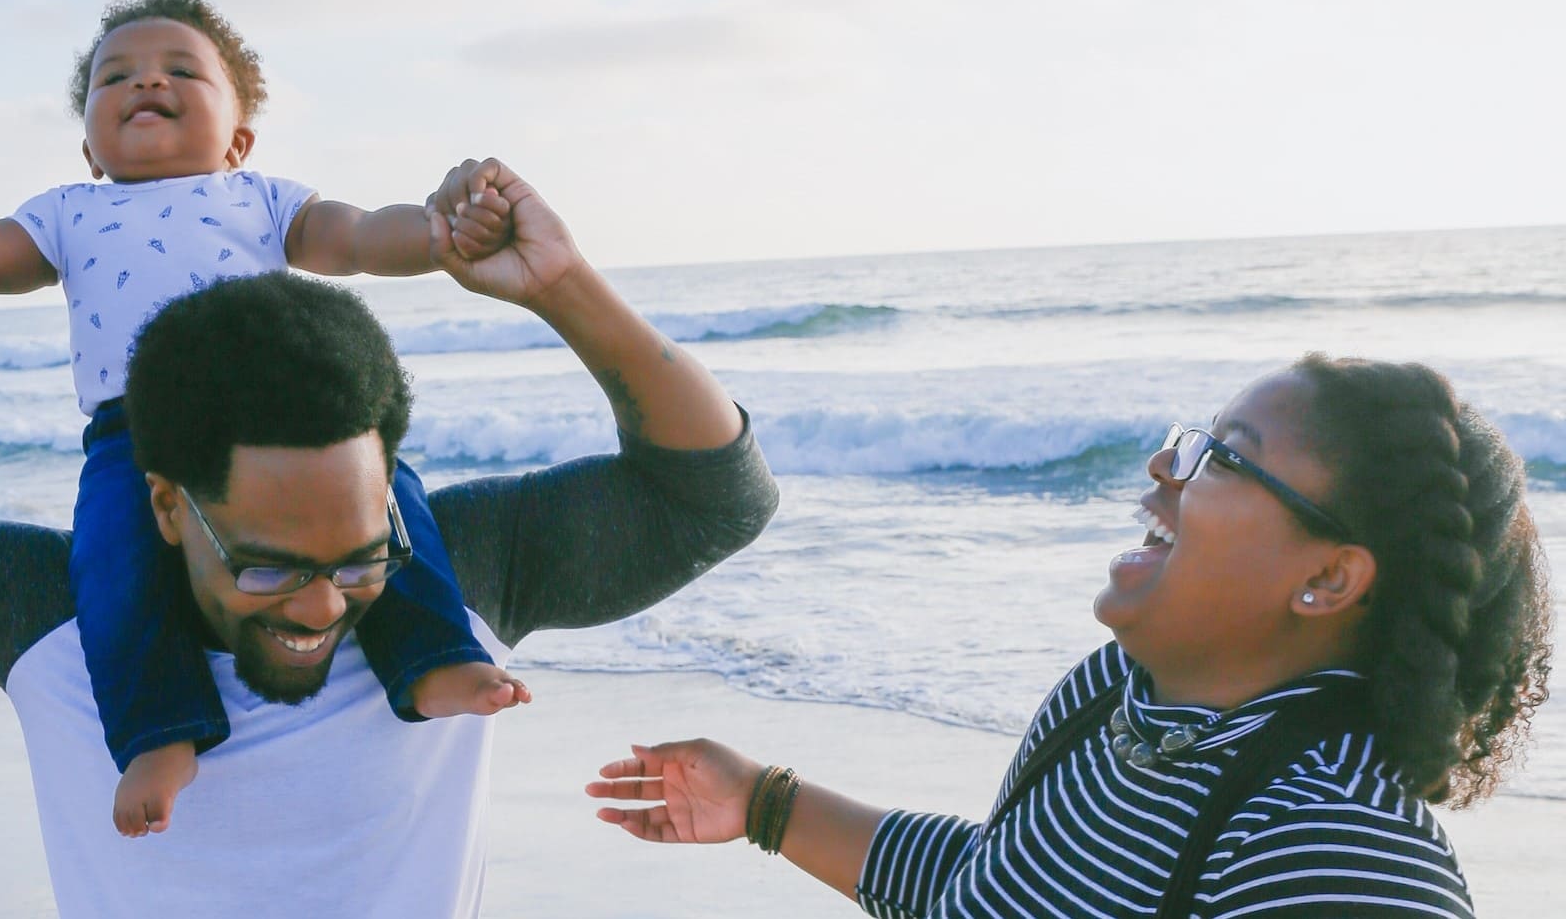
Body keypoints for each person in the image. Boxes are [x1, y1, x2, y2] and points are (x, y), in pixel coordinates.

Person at [0, 158, 779, 917]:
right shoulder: (48, 611)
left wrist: (563, 288)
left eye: (361, 555)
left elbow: (715, 495)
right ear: (165, 503)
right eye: (268, 564)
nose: (321, 605)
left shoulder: (453, 572)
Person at [0, 0, 526, 837]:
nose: (145, 84)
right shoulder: (69, 212)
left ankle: (435, 659)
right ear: (91, 148)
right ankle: (158, 732)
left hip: (275, 416)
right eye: (116, 78)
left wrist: (441, 234)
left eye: (180, 70)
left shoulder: (264, 198)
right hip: (131, 435)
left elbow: (359, 235)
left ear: (240, 140)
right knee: (110, 565)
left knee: (391, 502)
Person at [587, 357, 1553, 917]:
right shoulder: (1112, 698)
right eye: (1195, 436)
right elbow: (993, 885)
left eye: (1222, 458)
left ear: (1329, 578)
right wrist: (763, 803)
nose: (1165, 466)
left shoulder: (1333, 853)